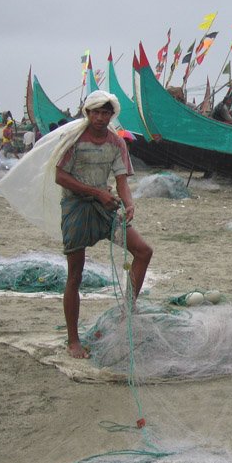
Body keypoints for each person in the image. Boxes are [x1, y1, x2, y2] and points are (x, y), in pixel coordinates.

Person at [54, 91, 153, 358]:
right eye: (95, 112)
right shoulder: (74, 141)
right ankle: (73, 340)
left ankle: (126, 313)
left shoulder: (115, 143)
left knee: (143, 251)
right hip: (76, 206)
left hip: (105, 206)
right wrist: (96, 192)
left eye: (106, 113)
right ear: (87, 113)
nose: (100, 118)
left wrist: (128, 202)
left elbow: (121, 179)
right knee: (75, 273)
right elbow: (60, 176)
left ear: (112, 115)